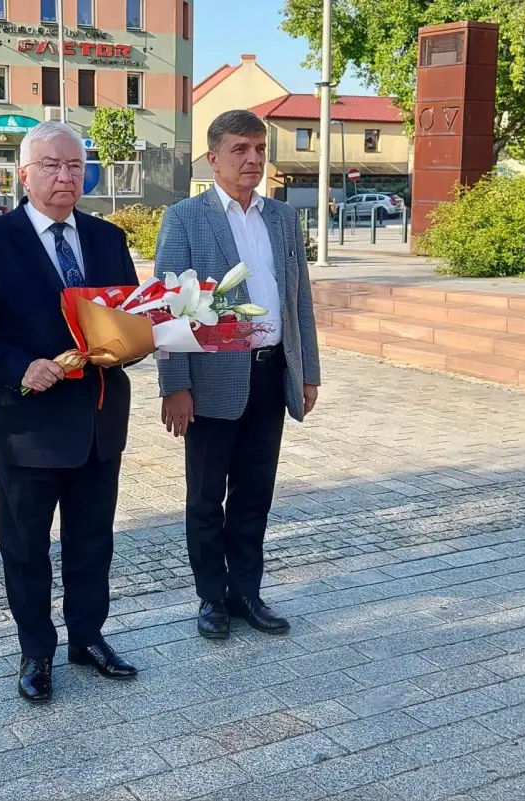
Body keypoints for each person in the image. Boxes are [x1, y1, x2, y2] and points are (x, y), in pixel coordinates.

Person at [0, 121, 140, 703]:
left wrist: (136, 338)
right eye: (52, 166)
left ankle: (88, 636)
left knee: (92, 540)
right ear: (24, 175)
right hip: (27, 420)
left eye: (75, 166)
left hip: (98, 419)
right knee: (27, 546)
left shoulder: (107, 239)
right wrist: (19, 365)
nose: (65, 176)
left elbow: (132, 317)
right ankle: (36, 650)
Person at [155, 110, 321, 641]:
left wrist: (307, 371)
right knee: (206, 498)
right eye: (239, 150)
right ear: (214, 157)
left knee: (254, 494)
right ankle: (211, 600)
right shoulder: (186, 218)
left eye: (258, 149)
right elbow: (168, 309)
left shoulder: (282, 218)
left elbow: (300, 301)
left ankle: (246, 592)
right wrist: (175, 386)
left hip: (271, 375)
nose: (252, 159)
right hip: (210, 383)